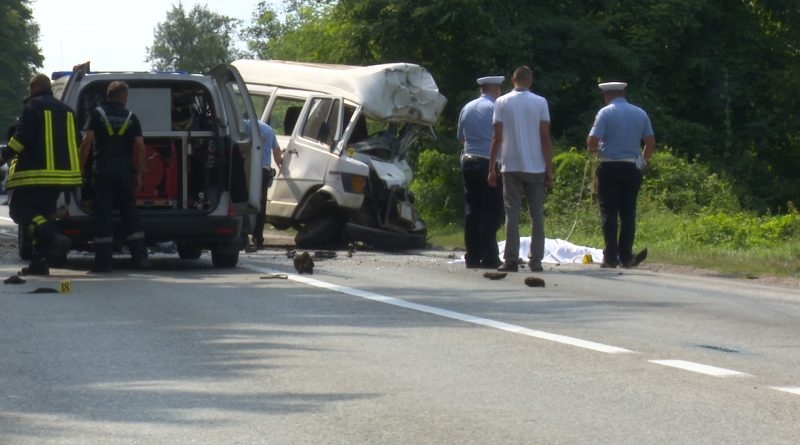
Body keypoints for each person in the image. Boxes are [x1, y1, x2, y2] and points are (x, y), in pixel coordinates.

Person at [1, 74, 82, 275]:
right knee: (43, 215)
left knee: (20, 211)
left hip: (35, 174)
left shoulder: (32, 108)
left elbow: (22, 139)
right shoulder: (68, 111)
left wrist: (3, 157)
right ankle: (39, 262)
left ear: (35, 87)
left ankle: (54, 237)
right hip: (62, 176)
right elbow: (78, 142)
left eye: (30, 88)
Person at [488, 66, 553, 273]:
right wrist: (549, 168)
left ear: (512, 79)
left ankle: (511, 259)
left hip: (510, 164)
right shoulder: (540, 102)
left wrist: (491, 167)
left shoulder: (501, 102)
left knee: (512, 214)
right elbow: (545, 138)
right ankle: (536, 260)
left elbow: (497, 137)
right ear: (530, 80)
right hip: (535, 166)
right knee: (537, 215)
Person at [79, 81, 149, 272]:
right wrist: (139, 172)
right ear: (123, 97)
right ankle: (140, 258)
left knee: (103, 215)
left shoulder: (97, 114)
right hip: (125, 173)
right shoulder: (131, 117)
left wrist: (79, 167)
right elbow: (140, 147)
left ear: (108, 96)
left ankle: (104, 262)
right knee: (130, 214)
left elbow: (87, 142)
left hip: (102, 173)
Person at [586, 81, 655, 268]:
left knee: (609, 212)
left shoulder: (605, 113)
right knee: (628, 212)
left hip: (609, 166)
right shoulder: (640, 113)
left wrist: (598, 149)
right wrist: (642, 161)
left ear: (607, 95)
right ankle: (625, 255)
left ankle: (610, 257)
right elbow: (650, 142)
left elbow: (592, 141)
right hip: (631, 167)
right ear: (623, 93)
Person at [456, 75, 505, 269]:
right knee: (491, 210)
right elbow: (502, 137)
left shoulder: (467, 108)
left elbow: (461, 137)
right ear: (496, 90)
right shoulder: (496, 108)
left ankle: (472, 254)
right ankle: (490, 255)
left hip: (469, 161)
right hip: (489, 163)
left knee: (472, 209)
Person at [246, 119, 283, 250]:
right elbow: (276, 151)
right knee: (260, 205)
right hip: (264, 170)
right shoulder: (269, 130)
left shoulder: (244, 125)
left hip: (248, 169)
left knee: (244, 201)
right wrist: (281, 166)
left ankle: (243, 234)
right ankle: (258, 237)